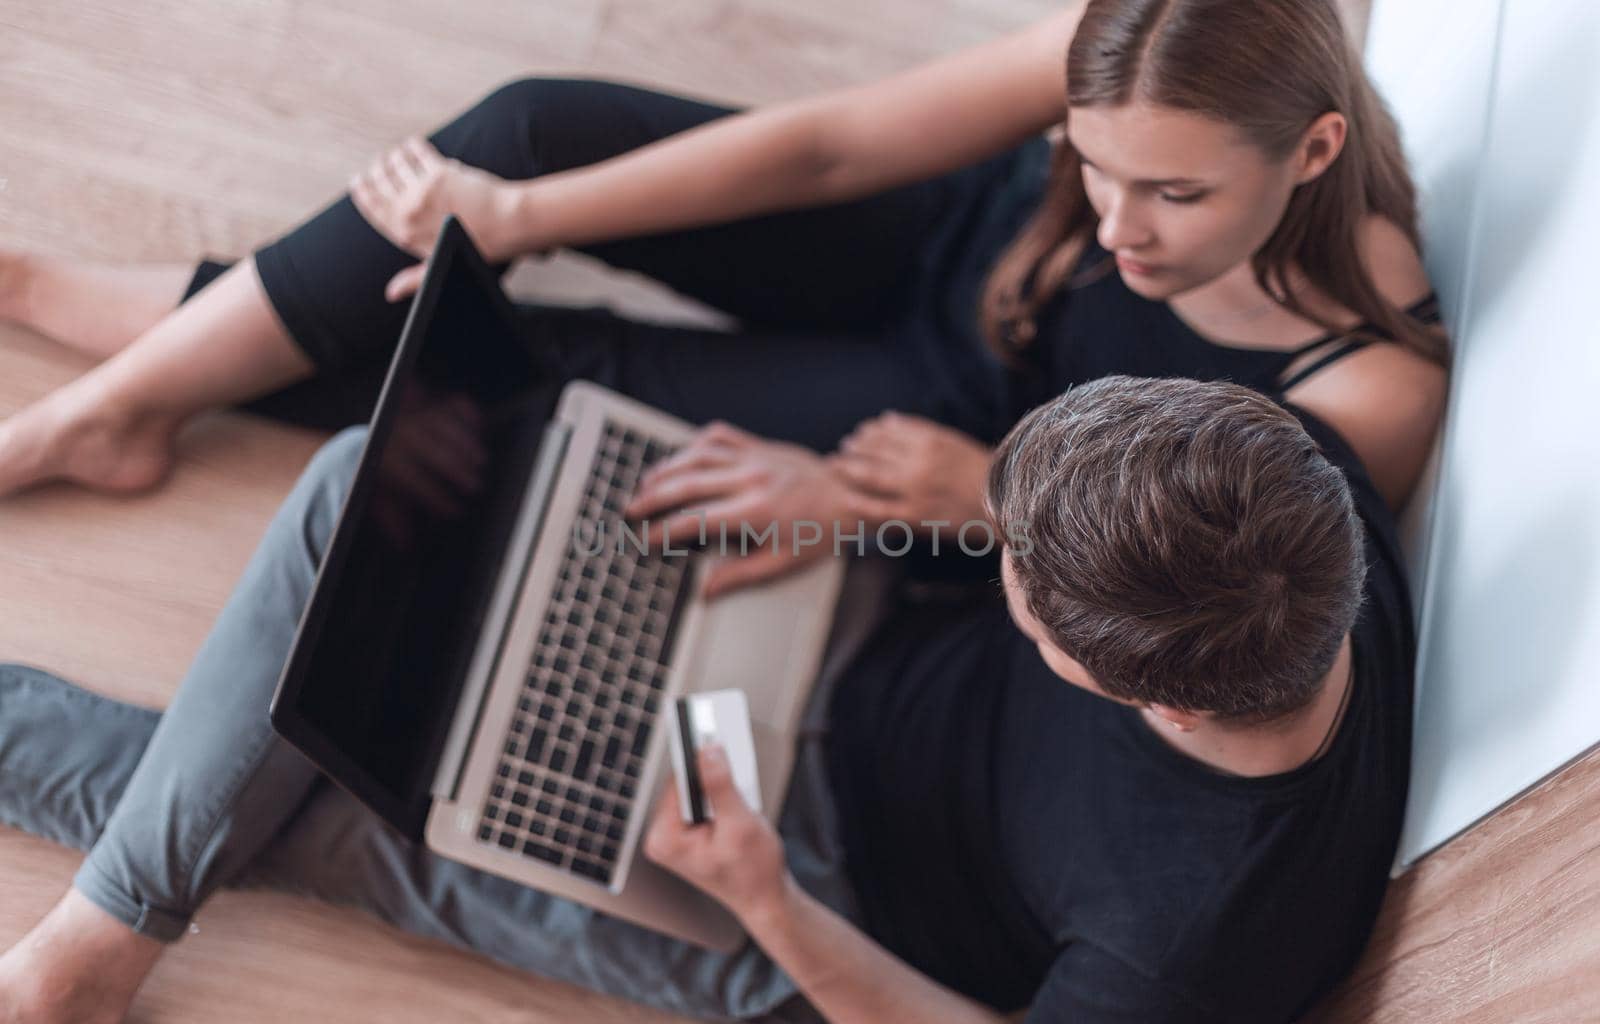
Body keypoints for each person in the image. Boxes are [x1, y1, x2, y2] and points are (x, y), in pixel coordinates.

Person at [0, 373, 1412, 1024]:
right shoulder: (1293, 495)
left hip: (814, 894)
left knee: (343, 784)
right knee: (371, 484)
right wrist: (850, 506)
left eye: (1029, 598)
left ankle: (78, 970)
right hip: (838, 624)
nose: (1009, 572)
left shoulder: (1193, 957)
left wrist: (766, 897)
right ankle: (95, 948)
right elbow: (1011, 530)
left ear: (1154, 697)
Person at [0, 0, 1445, 553]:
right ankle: (102, 403)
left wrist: (981, 501)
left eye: (1176, 194)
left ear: (1314, 150)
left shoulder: (1365, 388)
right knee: (518, 139)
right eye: (1095, 159)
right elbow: (822, 150)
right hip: (945, 238)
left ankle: (104, 375)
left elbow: (1183, 589)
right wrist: (515, 211)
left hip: (954, 419)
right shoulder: (1150, 30)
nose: (1121, 225)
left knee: (560, 383)